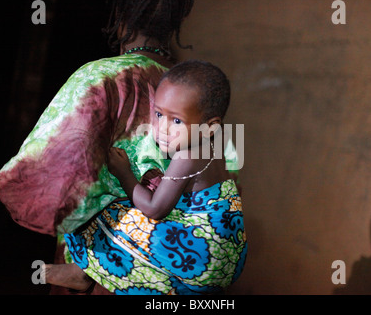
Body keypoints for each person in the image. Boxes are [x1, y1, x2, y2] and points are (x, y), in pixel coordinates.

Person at [44, 60, 247, 295]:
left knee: (102, 213)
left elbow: (154, 208)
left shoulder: (187, 156)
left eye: (177, 121)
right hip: (227, 254)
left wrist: (124, 173)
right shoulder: (213, 146)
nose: (162, 128)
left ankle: (84, 271)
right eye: (159, 114)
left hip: (204, 256)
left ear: (210, 127)